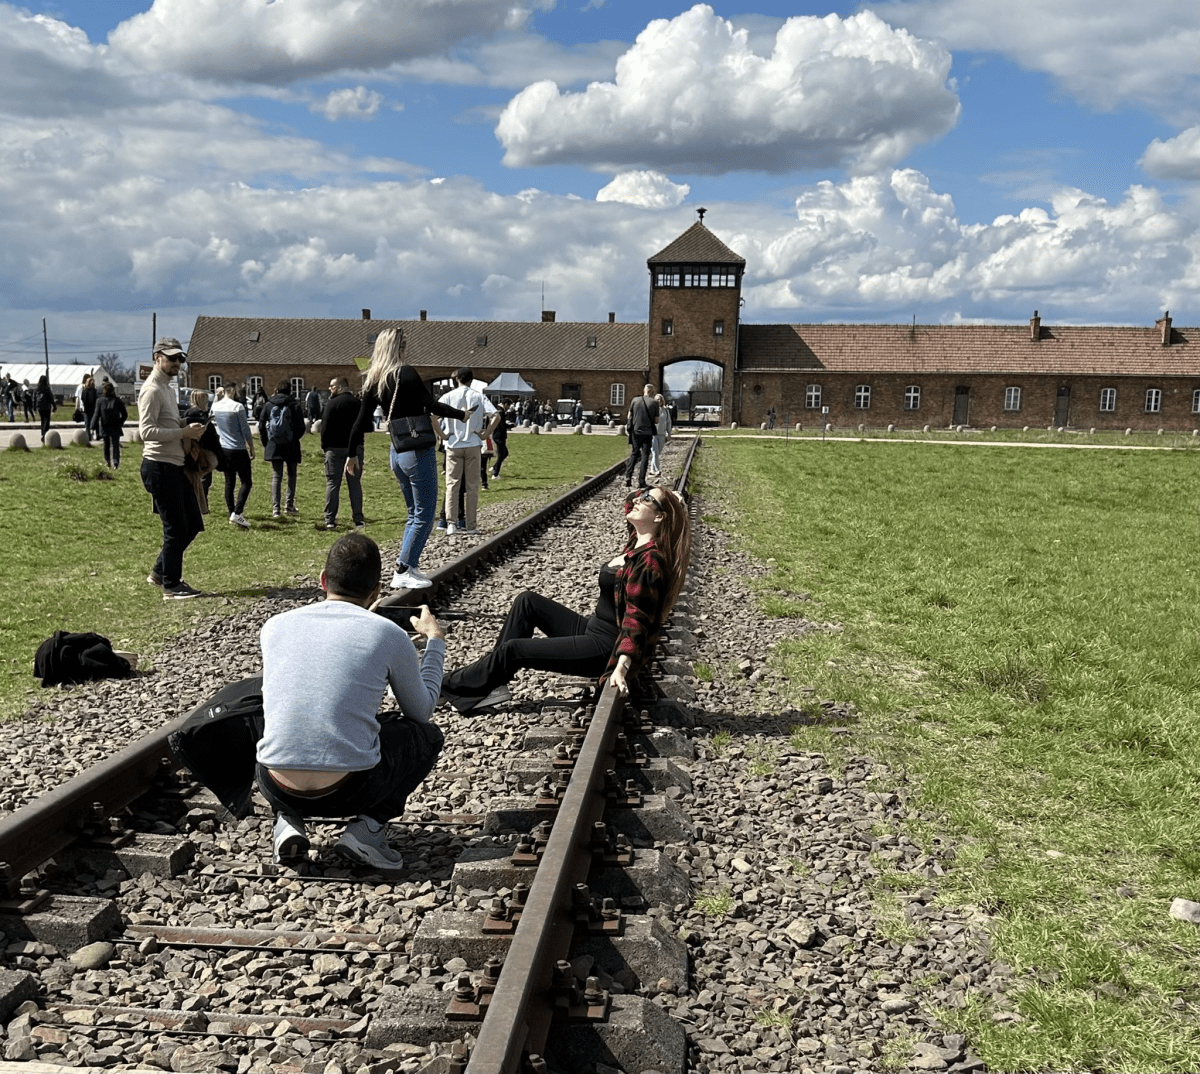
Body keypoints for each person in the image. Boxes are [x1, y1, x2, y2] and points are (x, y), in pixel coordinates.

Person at [257, 533, 446, 868]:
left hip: (276, 784)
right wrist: (435, 640)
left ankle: (287, 821)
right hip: (351, 790)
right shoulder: (389, 634)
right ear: (376, 591)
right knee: (426, 736)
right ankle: (367, 831)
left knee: (285, 718)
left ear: (323, 580)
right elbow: (421, 711)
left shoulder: (274, 627)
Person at [440, 486, 692, 713]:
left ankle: (443, 686)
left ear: (659, 517)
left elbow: (637, 620)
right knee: (527, 601)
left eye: (646, 499)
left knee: (514, 649)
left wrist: (622, 666)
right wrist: (664, 496)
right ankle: (492, 684)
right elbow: (630, 501)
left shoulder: (650, 561)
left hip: (605, 647)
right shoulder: (636, 541)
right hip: (591, 627)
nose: (637, 500)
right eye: (641, 495)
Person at [346, 328, 476, 590]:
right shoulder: (406, 373)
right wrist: (461, 415)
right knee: (424, 513)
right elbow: (431, 404)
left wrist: (351, 454)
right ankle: (404, 569)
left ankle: (408, 565)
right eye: (404, 344)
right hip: (417, 451)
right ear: (399, 348)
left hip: (397, 452)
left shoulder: (374, 379)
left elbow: (360, 421)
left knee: (413, 513)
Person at [138, 337, 207, 600]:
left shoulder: (167, 388)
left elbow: (165, 422)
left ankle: (160, 572)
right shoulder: (152, 389)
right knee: (176, 528)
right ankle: (172, 585)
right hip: (159, 466)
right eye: (172, 358)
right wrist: (182, 432)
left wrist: (186, 424)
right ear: (158, 358)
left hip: (173, 466)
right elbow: (146, 432)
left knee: (192, 524)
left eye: (180, 358)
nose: (177, 362)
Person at [437, 368, 496, 537]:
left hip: (453, 444)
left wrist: (442, 435)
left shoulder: (447, 396)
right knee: (472, 486)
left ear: (457, 379)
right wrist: (485, 434)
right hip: (473, 444)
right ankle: (471, 525)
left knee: (452, 485)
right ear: (471, 380)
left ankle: (451, 524)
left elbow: (433, 416)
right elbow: (496, 416)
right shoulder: (479, 396)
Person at [320, 376, 365, 530]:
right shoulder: (358, 403)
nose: (329, 389)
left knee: (333, 483)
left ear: (339, 387)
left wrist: (325, 447)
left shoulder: (332, 404)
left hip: (334, 448)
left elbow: (324, 427)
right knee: (354, 483)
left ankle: (330, 519)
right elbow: (364, 426)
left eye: (332, 386)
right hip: (355, 448)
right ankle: (358, 519)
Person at [259, 380, 306, 518]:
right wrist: (294, 438)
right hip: (291, 444)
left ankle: (276, 509)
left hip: (274, 444)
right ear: (290, 390)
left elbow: (261, 425)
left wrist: (266, 442)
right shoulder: (294, 405)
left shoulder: (269, 404)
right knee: (292, 475)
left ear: (277, 390)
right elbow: (301, 427)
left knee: (276, 476)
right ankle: (289, 505)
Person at [212, 383, 255, 528]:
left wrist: (217, 397)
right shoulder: (238, 407)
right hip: (239, 449)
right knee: (246, 482)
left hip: (224, 449)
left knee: (229, 482)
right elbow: (245, 429)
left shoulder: (216, 406)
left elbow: (211, 417)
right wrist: (251, 447)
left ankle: (231, 512)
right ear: (232, 391)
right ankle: (238, 512)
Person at [624, 384, 660, 488]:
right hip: (647, 432)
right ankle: (641, 481)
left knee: (634, 453)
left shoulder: (635, 400)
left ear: (644, 390)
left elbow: (629, 415)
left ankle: (628, 476)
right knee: (645, 456)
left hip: (636, 432)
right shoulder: (654, 403)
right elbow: (656, 420)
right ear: (652, 392)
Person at [93, 381, 128, 469]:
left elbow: (96, 414)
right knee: (115, 445)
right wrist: (120, 422)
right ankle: (115, 462)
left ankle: (107, 461)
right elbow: (125, 414)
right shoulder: (117, 401)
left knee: (106, 445)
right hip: (115, 425)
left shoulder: (100, 401)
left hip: (105, 425)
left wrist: (92, 426)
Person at [649, 393, 672, 477]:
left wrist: (669, 433)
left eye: (660, 399)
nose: (658, 401)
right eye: (657, 399)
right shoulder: (652, 410)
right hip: (653, 434)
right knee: (655, 452)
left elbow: (668, 422)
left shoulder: (665, 411)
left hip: (662, 434)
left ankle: (652, 469)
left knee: (658, 453)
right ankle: (657, 470)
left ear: (662, 401)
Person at [490, 402, 510, 479]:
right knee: (501, 454)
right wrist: (510, 425)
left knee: (504, 453)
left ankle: (494, 467)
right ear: (505, 404)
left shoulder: (497, 410)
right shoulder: (501, 412)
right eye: (508, 405)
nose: (508, 407)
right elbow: (502, 424)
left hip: (497, 435)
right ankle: (495, 474)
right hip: (499, 436)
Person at [35, 375, 54, 443]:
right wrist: (54, 405)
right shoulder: (47, 388)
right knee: (47, 420)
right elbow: (51, 397)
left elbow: (34, 398)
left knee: (42, 420)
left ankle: (43, 433)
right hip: (46, 406)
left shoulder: (37, 389)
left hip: (39, 407)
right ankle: (45, 434)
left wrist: (34, 407)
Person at [80, 375, 98, 444]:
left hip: (87, 409)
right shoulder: (94, 391)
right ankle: (97, 434)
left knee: (87, 424)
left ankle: (88, 437)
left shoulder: (85, 390)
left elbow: (83, 398)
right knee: (94, 422)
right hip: (93, 409)